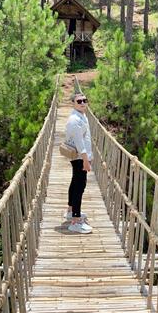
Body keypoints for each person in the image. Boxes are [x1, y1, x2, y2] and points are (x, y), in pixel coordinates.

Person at [64, 92, 93, 234]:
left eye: (84, 100)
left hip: (79, 156)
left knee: (75, 182)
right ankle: (75, 221)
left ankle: (71, 211)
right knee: (80, 187)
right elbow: (80, 143)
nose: (82, 103)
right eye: (79, 101)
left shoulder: (81, 115)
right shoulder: (75, 120)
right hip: (80, 157)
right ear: (73, 103)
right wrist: (86, 161)